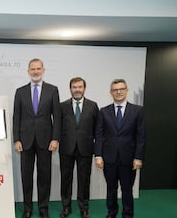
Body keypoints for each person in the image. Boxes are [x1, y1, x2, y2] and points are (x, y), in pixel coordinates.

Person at [13, 58, 61, 218]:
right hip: (25, 142)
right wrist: (16, 139)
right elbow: (16, 117)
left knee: (44, 177)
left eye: (38, 69)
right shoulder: (20, 91)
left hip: (46, 141)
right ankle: (27, 209)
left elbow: (57, 117)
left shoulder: (52, 90)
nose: (35, 71)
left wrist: (55, 139)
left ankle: (43, 208)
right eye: (32, 69)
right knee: (26, 177)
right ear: (28, 72)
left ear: (43, 70)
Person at [94, 79, 146, 218]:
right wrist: (98, 155)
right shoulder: (103, 111)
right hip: (108, 158)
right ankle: (111, 213)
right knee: (111, 189)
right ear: (111, 92)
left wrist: (138, 157)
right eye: (115, 89)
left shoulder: (137, 111)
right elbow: (99, 135)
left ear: (126, 90)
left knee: (127, 189)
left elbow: (141, 136)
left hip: (129, 159)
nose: (119, 92)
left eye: (121, 89)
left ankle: (127, 214)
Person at [59, 77, 99, 218]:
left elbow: (97, 129)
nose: (77, 89)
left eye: (80, 87)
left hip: (85, 148)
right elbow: (58, 127)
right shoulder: (62, 106)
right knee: (66, 179)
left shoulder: (93, 106)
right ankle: (66, 207)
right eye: (74, 87)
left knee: (84, 180)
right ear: (70, 89)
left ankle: (84, 208)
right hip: (66, 149)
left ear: (84, 88)